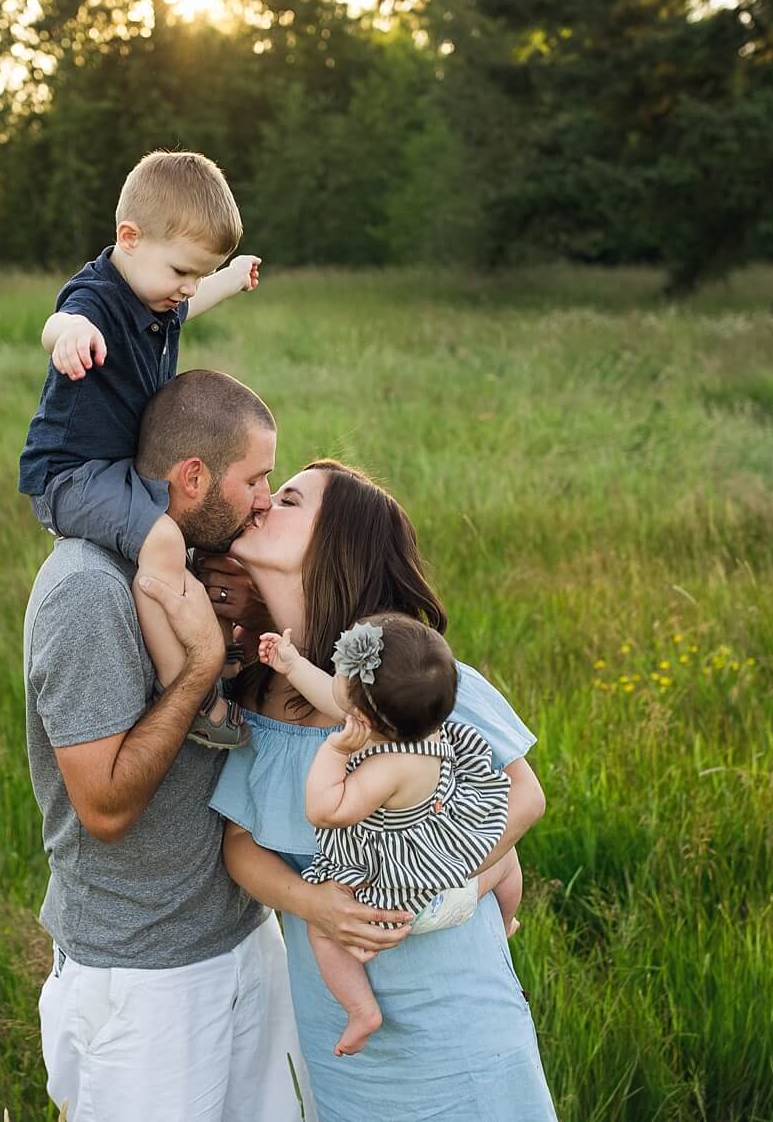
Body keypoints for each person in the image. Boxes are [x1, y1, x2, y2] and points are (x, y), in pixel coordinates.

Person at [203, 459, 557, 1119]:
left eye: (288, 499)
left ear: (337, 541)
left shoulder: (410, 681)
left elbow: (523, 794)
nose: (261, 503)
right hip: (344, 1042)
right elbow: (240, 846)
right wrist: (317, 904)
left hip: (458, 1027)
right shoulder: (252, 697)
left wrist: (416, 885)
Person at [23, 368, 309, 1120]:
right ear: (192, 476)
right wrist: (199, 672)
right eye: (256, 479)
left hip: (246, 935)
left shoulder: (196, 559)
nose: (263, 499)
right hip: (143, 978)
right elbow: (106, 808)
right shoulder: (88, 591)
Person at [19, 150, 262, 747]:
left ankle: (218, 657)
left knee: (194, 538)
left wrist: (227, 282)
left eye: (198, 276)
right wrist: (71, 334)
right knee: (162, 541)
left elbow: (188, 304)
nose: (186, 290)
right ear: (129, 238)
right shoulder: (98, 297)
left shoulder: (160, 296)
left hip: (120, 472)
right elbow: (59, 319)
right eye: (183, 271)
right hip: (71, 475)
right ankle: (186, 691)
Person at [259, 614, 518, 1057]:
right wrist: (291, 664)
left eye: (341, 671)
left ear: (362, 716)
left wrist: (335, 750)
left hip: (398, 903)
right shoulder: (418, 723)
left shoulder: (388, 768)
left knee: (322, 933)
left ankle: (361, 1011)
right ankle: (507, 916)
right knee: (507, 858)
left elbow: (326, 810)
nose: (334, 676)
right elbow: (334, 695)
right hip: (446, 873)